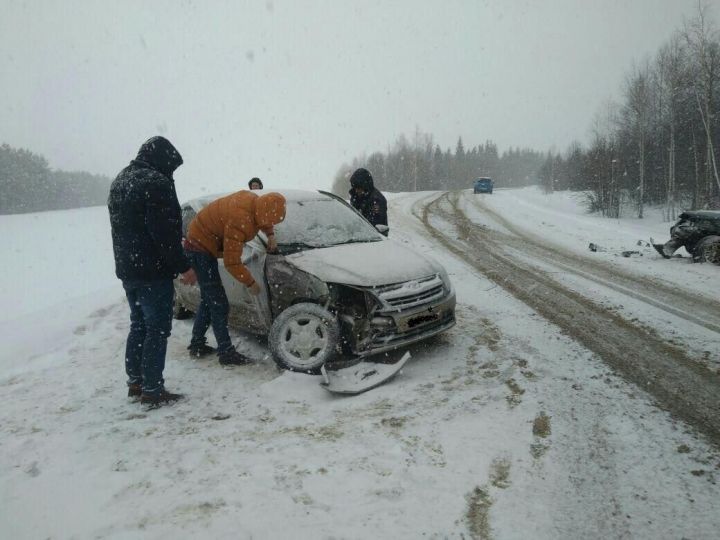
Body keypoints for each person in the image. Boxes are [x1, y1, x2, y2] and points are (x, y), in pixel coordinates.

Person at [108, 136, 197, 407]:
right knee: (157, 329)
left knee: (139, 325)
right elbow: (164, 234)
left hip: (128, 270)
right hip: (152, 271)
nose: (172, 173)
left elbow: (131, 228)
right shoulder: (156, 183)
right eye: (171, 166)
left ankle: (135, 381)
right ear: (163, 160)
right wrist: (183, 266)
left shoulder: (121, 180)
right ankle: (153, 389)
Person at [183, 190, 286, 365]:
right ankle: (226, 353)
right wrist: (250, 282)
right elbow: (231, 262)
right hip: (200, 248)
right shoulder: (241, 220)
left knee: (209, 300)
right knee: (218, 303)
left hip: (200, 241)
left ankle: (197, 344)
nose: (271, 224)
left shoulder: (255, 202)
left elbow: (264, 217)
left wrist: (271, 235)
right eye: (270, 222)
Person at [348, 168, 388, 236]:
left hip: (373, 240)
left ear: (365, 186)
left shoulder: (377, 200)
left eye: (359, 187)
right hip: (355, 237)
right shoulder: (355, 196)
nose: (356, 190)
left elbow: (376, 224)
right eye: (355, 187)